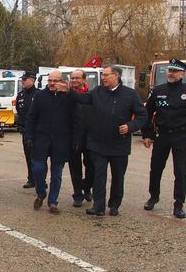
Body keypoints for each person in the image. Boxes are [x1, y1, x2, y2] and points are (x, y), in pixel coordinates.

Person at [57, 65, 147, 216]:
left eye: (106, 75)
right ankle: (98, 206)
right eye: (103, 75)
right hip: (98, 143)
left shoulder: (130, 95)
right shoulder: (97, 92)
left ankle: (114, 205)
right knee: (99, 176)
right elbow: (83, 98)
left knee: (118, 177)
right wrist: (69, 91)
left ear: (116, 76)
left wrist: (131, 126)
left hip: (119, 144)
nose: (103, 78)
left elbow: (142, 116)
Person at [142, 59, 186, 219]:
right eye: (169, 70)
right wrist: (147, 135)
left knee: (180, 172)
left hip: (180, 136)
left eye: (175, 71)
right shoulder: (157, 91)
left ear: (182, 74)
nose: (171, 73)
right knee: (156, 169)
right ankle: (153, 197)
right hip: (161, 135)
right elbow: (147, 114)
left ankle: (179, 204)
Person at [24, 70, 80, 214]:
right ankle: (41, 192)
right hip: (41, 140)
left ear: (62, 82)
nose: (52, 83)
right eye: (50, 81)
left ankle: (53, 202)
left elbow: (75, 120)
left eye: (55, 81)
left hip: (61, 142)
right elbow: (31, 117)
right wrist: (29, 136)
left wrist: (75, 139)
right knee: (37, 168)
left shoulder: (68, 98)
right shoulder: (40, 96)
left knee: (56, 175)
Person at [67, 69, 94, 207]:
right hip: (72, 137)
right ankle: (78, 194)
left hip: (90, 138)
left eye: (77, 78)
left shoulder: (92, 95)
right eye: (72, 78)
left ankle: (87, 186)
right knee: (74, 167)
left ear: (84, 80)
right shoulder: (65, 96)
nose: (74, 80)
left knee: (92, 166)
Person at [15, 71, 38, 188]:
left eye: (25, 79)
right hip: (25, 130)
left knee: (39, 157)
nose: (22, 81)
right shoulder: (20, 95)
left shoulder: (39, 94)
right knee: (28, 156)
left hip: (38, 131)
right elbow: (19, 111)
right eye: (22, 79)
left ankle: (40, 180)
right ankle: (31, 179)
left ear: (32, 80)